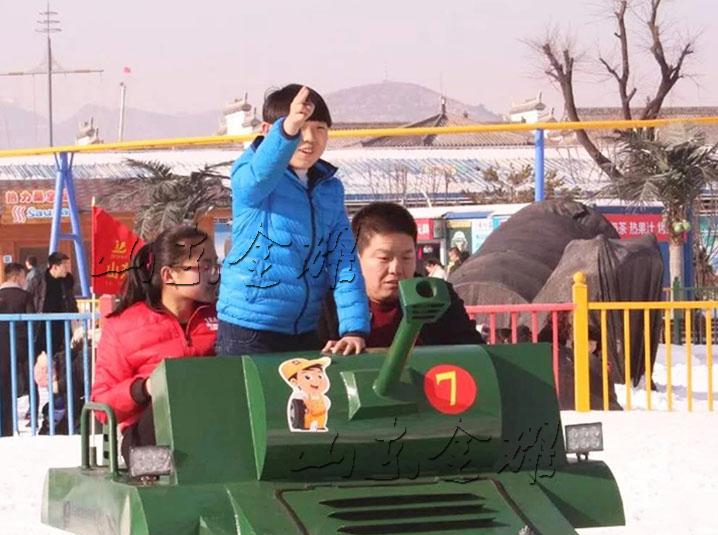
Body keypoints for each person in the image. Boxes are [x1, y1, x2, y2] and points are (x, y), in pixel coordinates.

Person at [217, 83, 369, 357]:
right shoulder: (251, 173)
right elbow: (258, 177)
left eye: (320, 128)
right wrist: (287, 131)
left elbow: (342, 259)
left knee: (305, 401)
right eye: (301, 128)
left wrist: (354, 328)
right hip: (249, 328)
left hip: (305, 328)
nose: (309, 138)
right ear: (268, 131)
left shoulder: (329, 189)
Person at [92, 224, 219, 461]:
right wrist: (145, 388)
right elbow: (102, 408)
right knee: (162, 458)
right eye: (203, 267)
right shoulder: (123, 327)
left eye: (215, 265)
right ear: (168, 275)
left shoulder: (223, 318)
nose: (213, 275)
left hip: (213, 429)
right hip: (149, 436)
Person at [318, 202, 483, 347]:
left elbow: (473, 352)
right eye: (384, 258)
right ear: (356, 257)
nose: (396, 269)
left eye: (406, 257)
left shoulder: (437, 296)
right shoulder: (326, 303)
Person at [0, 262, 34, 397]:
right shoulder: (25, 296)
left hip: (1, 343)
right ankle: (32, 410)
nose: (25, 280)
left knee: (2, 380)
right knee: (30, 379)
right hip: (22, 342)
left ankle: (4, 413)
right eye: (24, 276)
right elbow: (32, 320)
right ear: (16, 277)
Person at [27, 252, 78, 354]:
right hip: (40, 323)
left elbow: (70, 298)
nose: (67, 269)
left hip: (61, 323)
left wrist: (75, 315)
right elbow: (28, 298)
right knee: (39, 352)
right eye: (64, 265)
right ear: (54, 267)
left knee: (62, 353)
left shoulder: (68, 280)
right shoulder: (38, 280)